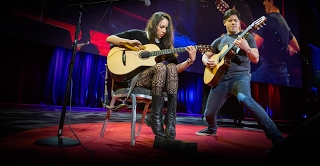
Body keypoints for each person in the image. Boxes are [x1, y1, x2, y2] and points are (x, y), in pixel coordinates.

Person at [196, 9, 284, 153]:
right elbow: (206, 55)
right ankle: (212, 129)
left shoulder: (247, 37)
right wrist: (206, 62)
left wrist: (247, 49)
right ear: (224, 23)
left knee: (244, 99)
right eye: (230, 20)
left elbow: (255, 59)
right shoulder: (219, 40)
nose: (233, 23)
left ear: (239, 22)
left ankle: (277, 139)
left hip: (239, 77)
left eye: (235, 20)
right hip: (221, 79)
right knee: (208, 114)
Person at [106, 11, 197, 139]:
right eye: (161, 26)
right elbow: (109, 39)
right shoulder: (138, 34)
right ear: (153, 25)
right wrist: (128, 42)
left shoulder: (165, 46)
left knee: (170, 67)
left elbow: (176, 69)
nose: (164, 30)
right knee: (160, 67)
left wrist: (189, 61)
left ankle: (170, 120)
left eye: (166, 27)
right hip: (134, 79)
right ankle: (156, 116)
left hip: (154, 82)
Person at [251, 0, 300, 86]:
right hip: (283, 76)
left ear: (271, 2)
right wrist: (283, 50)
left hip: (267, 73)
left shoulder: (267, 20)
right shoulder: (284, 23)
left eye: (265, 0)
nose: (263, 3)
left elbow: (254, 47)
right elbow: (296, 48)